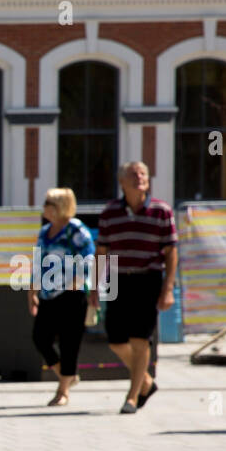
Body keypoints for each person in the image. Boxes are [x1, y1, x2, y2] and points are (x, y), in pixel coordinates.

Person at [94, 161, 177, 414]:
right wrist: (94, 288)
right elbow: (101, 252)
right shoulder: (110, 213)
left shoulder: (162, 211)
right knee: (116, 340)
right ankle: (146, 382)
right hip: (119, 279)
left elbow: (171, 251)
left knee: (140, 339)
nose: (139, 177)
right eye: (133, 174)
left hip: (148, 279)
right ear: (122, 182)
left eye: (143, 174)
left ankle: (132, 397)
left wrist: (168, 288)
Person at [29, 187, 94, 406]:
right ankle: (67, 376)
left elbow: (90, 259)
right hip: (48, 294)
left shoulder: (75, 230)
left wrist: (78, 281)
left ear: (59, 207)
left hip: (71, 295)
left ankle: (62, 391)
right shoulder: (44, 231)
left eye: (48, 202)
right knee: (40, 337)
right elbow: (38, 262)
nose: (44, 206)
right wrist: (32, 291)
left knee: (69, 343)